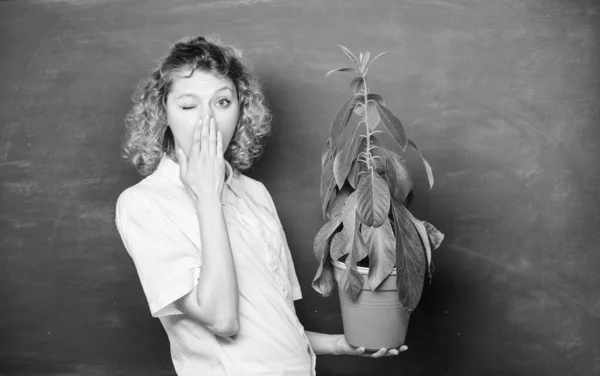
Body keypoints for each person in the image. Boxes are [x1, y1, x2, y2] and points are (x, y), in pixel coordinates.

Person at [114, 35, 406, 376]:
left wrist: (338, 344)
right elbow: (221, 319)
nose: (206, 121)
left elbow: (271, 327)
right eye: (189, 105)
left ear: (241, 109)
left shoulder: (252, 192)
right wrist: (207, 197)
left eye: (222, 102)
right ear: (163, 112)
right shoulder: (144, 204)